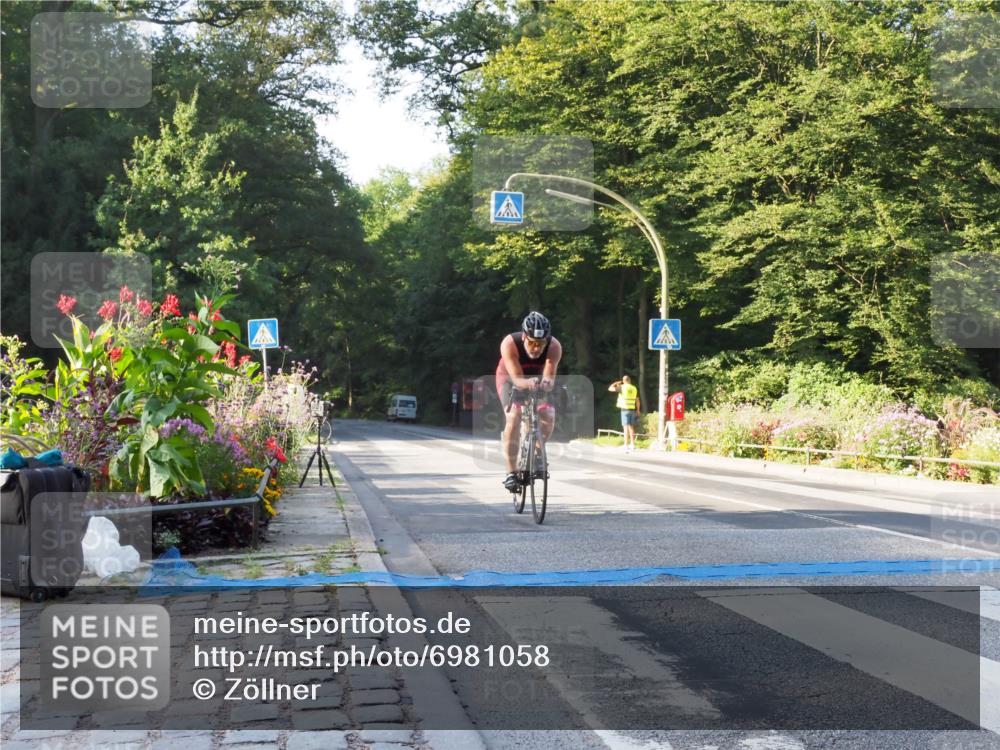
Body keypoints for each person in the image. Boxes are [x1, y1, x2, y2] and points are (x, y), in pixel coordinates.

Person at [495, 311, 563, 492]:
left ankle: (537, 453)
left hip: (537, 379)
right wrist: (527, 383)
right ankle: (511, 472)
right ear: (524, 337)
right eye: (532, 342)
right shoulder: (509, 344)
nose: (536, 348)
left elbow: (549, 378)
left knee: (548, 414)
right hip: (510, 379)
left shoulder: (554, 346)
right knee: (514, 417)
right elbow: (517, 380)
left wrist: (547, 384)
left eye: (540, 344)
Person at [608, 375, 641, 452]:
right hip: (632, 409)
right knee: (631, 427)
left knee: (625, 427)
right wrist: (638, 410)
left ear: (623, 381)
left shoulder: (622, 387)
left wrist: (616, 383)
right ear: (630, 380)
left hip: (625, 410)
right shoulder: (634, 388)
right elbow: (637, 400)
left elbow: (610, 388)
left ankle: (626, 445)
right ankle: (632, 445)